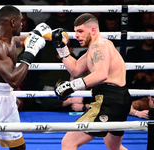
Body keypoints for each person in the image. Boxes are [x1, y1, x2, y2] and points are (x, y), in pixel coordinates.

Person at [0, 5, 51, 150]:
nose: (22, 24)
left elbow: (28, 38)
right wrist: (30, 53)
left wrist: (46, 33)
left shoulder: (11, 39)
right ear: (13, 22)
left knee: (18, 147)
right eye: (20, 22)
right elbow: (14, 80)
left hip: (7, 99)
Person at [52, 13, 132, 150]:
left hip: (107, 100)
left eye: (80, 31)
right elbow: (75, 69)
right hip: (120, 99)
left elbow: (101, 74)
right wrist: (61, 47)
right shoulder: (99, 46)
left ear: (93, 30)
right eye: (75, 31)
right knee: (114, 147)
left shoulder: (98, 47)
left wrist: (72, 86)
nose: (76, 35)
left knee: (68, 142)